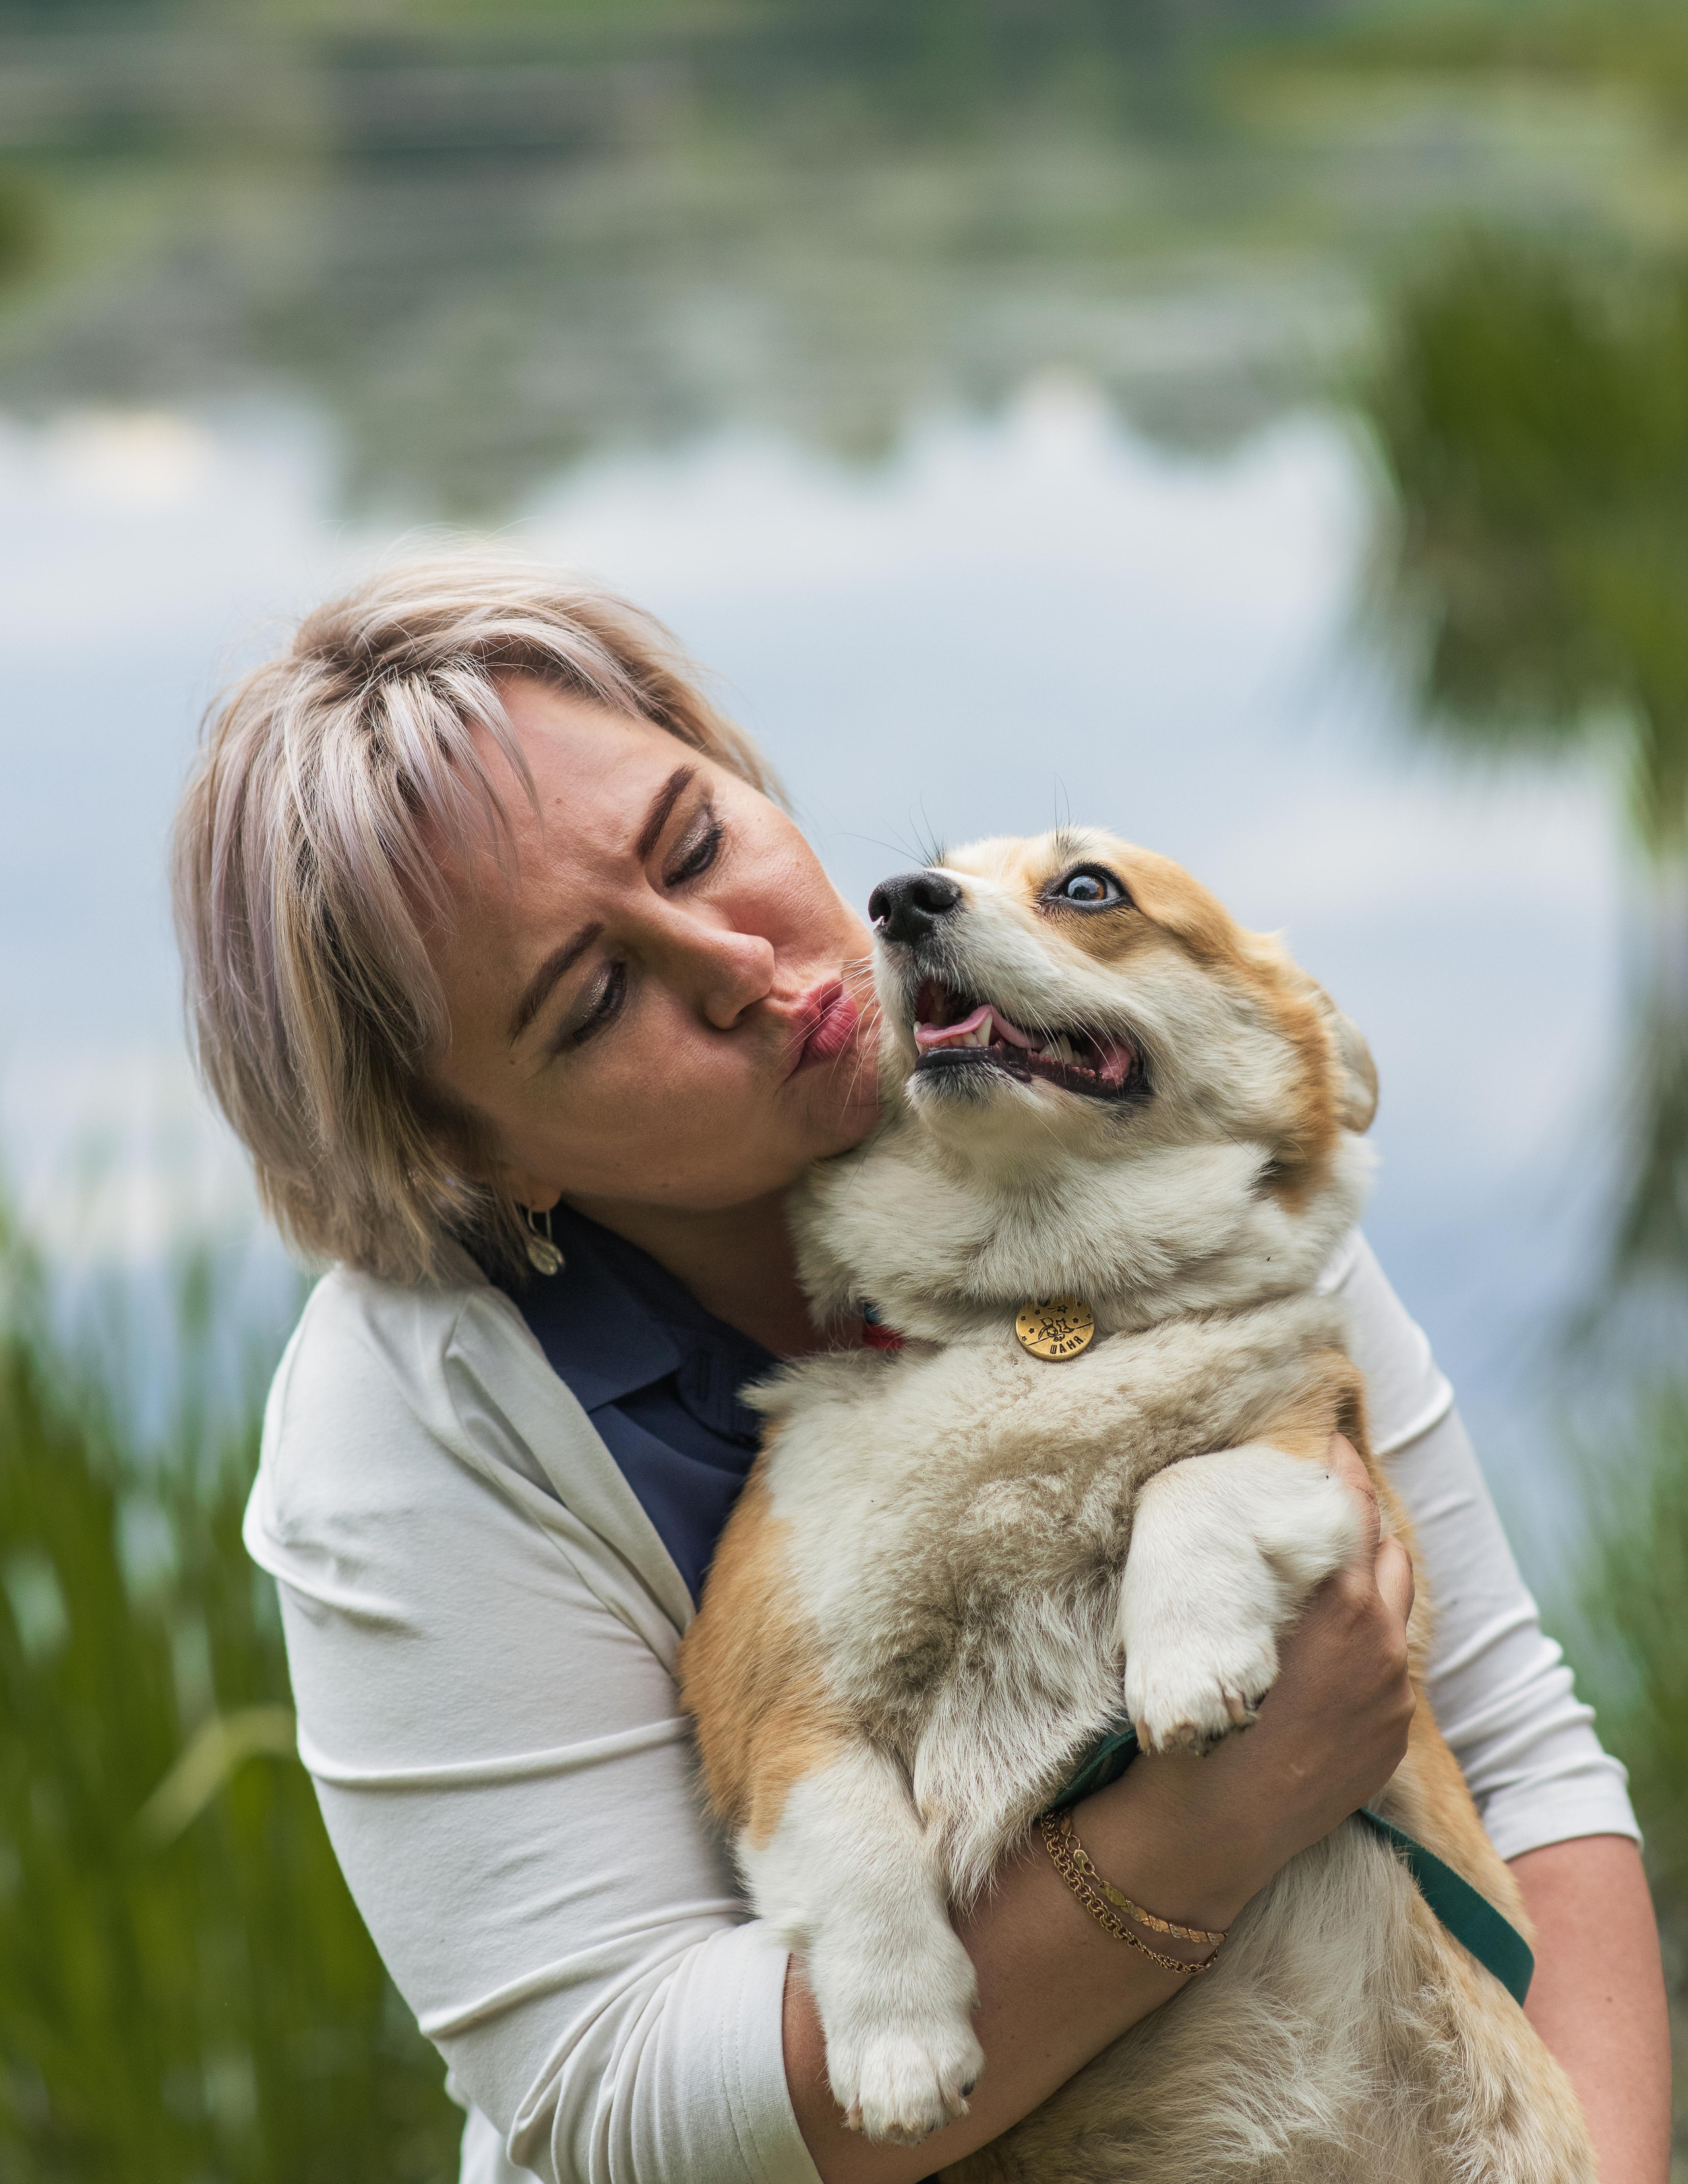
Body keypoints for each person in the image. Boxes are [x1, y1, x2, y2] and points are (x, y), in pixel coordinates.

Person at [172, 558, 1671, 2184]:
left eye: (695, 842)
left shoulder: (1106, 1106)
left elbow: (1511, 1740)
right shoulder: (403, 1431)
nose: (737, 964)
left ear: (740, 770)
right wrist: (1185, 1842)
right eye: (597, 997)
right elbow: (620, 2097)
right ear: (471, 1151)